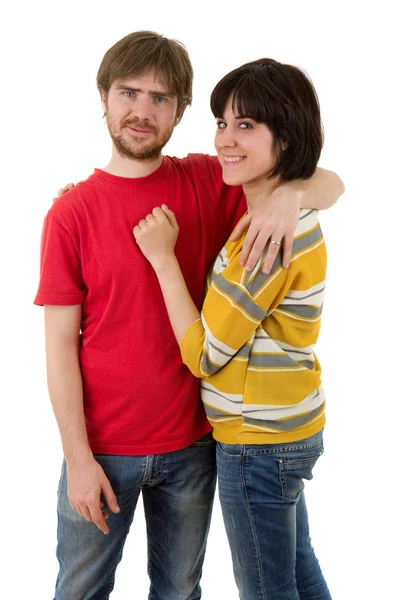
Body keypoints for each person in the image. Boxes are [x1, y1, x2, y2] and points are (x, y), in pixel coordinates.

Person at [34, 31, 342, 600]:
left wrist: (292, 194)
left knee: (179, 590)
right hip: (103, 450)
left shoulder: (207, 178)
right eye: (129, 93)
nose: (142, 111)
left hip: (194, 446)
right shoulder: (71, 213)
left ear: (179, 110)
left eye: (161, 98)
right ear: (103, 97)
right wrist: (77, 458)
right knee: (78, 590)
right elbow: (57, 347)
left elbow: (326, 178)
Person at [134, 57, 333, 600]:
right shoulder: (279, 215)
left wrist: (163, 259)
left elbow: (203, 355)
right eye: (222, 122)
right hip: (287, 428)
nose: (226, 138)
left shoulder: (266, 242)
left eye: (246, 125)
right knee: (299, 573)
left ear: (286, 140)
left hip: (256, 444)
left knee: (269, 590)